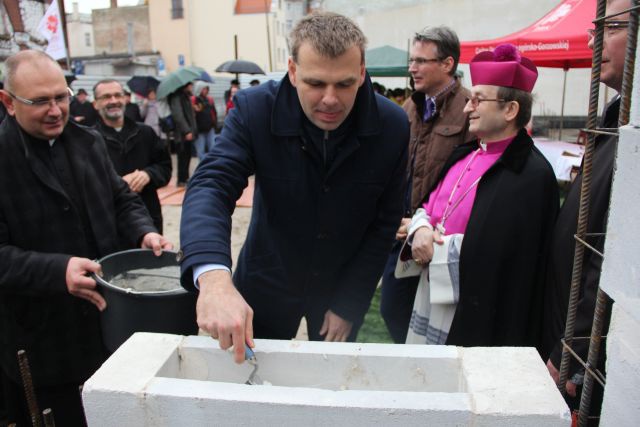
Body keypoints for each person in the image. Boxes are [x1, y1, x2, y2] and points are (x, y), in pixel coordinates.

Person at [179, 12, 409, 363]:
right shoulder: (255, 110)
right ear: (293, 71)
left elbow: (385, 221)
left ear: (362, 72)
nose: (330, 99)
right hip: (266, 277)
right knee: (251, 378)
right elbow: (212, 183)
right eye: (316, 83)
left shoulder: (392, 125)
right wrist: (212, 277)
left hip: (341, 279)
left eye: (345, 84)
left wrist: (349, 302)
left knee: (335, 382)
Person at [0, 50, 172, 426]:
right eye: (40, 101)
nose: (56, 110)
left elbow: (121, 199)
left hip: (108, 325)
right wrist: (56, 270)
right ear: (8, 103)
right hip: (43, 338)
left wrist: (144, 231)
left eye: (61, 97)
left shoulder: (88, 142)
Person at [405, 44, 558, 347]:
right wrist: (420, 229)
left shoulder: (532, 176)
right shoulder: (463, 156)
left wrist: (438, 247)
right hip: (431, 296)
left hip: (482, 314)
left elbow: (520, 265)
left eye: (477, 99)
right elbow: (426, 206)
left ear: (510, 110)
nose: (466, 107)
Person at [542, 0, 630, 418]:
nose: (595, 40)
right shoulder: (614, 115)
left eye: (611, 28)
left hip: (593, 351)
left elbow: (615, 254)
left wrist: (576, 346)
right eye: (596, 29)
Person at [380, 26, 473, 343]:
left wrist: (432, 224)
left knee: (439, 321)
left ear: (447, 64)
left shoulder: (469, 110)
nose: (412, 68)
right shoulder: (410, 106)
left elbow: (471, 177)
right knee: (393, 310)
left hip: (439, 237)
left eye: (421, 61)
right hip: (404, 231)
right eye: (412, 60)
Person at [93, 79, 172, 234]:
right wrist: (118, 184)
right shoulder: (89, 140)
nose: (113, 101)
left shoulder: (145, 133)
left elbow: (165, 167)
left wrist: (148, 174)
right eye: (106, 97)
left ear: (125, 99)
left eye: (118, 95)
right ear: (95, 104)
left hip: (148, 217)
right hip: (109, 222)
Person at [168, 82, 197, 186]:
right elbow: (178, 115)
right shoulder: (177, 97)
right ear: (185, 86)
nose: (191, 87)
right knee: (182, 157)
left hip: (188, 133)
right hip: (181, 134)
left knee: (187, 156)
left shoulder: (185, 96)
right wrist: (187, 131)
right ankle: (181, 180)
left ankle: (185, 179)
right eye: (190, 85)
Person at [191, 81, 218, 160]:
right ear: (199, 89)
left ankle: (212, 168)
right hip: (199, 131)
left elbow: (214, 113)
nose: (206, 91)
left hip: (210, 129)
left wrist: (214, 125)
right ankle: (204, 169)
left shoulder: (209, 99)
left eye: (207, 89)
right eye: (204, 89)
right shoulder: (193, 100)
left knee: (213, 150)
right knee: (201, 152)